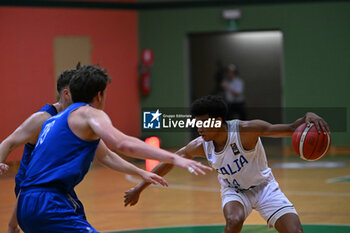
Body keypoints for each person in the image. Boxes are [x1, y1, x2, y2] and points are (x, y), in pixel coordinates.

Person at [14, 65, 211, 233]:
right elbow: (123, 143)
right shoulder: (89, 114)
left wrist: (140, 172)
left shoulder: (56, 120)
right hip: (49, 203)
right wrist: (175, 158)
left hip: (27, 203)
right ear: (99, 94)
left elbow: (106, 155)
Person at [124, 95, 330, 233]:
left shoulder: (245, 131)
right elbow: (170, 161)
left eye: (203, 123)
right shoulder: (199, 145)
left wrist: (307, 117)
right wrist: (139, 187)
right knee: (234, 220)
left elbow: (289, 128)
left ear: (218, 121)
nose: (199, 129)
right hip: (234, 190)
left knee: (295, 231)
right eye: (197, 124)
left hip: (265, 187)